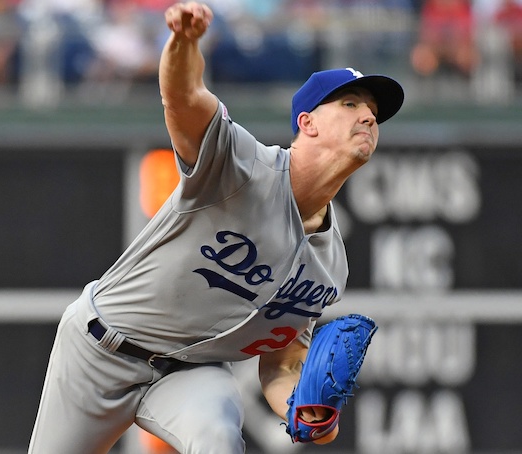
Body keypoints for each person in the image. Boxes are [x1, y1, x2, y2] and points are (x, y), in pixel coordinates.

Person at [27, 2, 404, 453]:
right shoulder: (239, 166)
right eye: (350, 104)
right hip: (99, 350)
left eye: (373, 113)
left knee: (219, 437)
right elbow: (184, 97)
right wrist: (184, 42)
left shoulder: (329, 266)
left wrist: (303, 409)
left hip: (193, 373)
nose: (367, 117)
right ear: (307, 123)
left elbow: (281, 361)